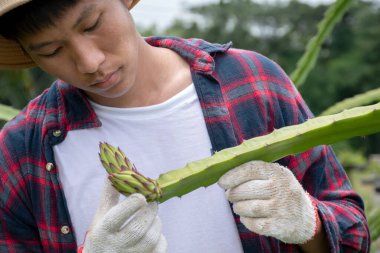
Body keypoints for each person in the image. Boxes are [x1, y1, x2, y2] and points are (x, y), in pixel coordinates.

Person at [0, 0, 370, 252]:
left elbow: (354, 235)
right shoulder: (21, 149)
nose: (90, 62)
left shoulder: (254, 82)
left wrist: (308, 221)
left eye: (93, 24)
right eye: (50, 51)